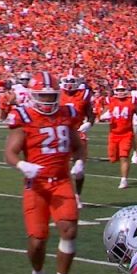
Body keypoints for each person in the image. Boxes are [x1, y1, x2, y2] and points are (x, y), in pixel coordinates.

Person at [3, 72, 84, 274]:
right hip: (36, 185)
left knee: (69, 231)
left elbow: (78, 146)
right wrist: (21, 164)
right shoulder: (24, 116)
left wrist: (79, 161)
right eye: (43, 96)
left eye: (51, 96)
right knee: (38, 241)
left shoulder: (66, 114)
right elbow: (10, 152)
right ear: (32, 96)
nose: (48, 101)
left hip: (61, 181)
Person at [59, 72, 94, 209]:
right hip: (60, 132)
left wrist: (89, 124)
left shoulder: (83, 95)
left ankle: (77, 196)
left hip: (77, 132)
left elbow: (91, 115)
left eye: (71, 81)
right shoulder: (57, 94)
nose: (69, 84)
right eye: (66, 81)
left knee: (79, 170)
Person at [104, 81, 137, 189]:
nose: (120, 92)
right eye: (118, 90)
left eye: (122, 90)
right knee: (113, 158)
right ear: (115, 91)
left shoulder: (132, 101)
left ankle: (124, 179)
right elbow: (101, 115)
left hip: (127, 133)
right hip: (113, 133)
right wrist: (104, 116)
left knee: (124, 156)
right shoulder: (110, 100)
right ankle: (123, 177)